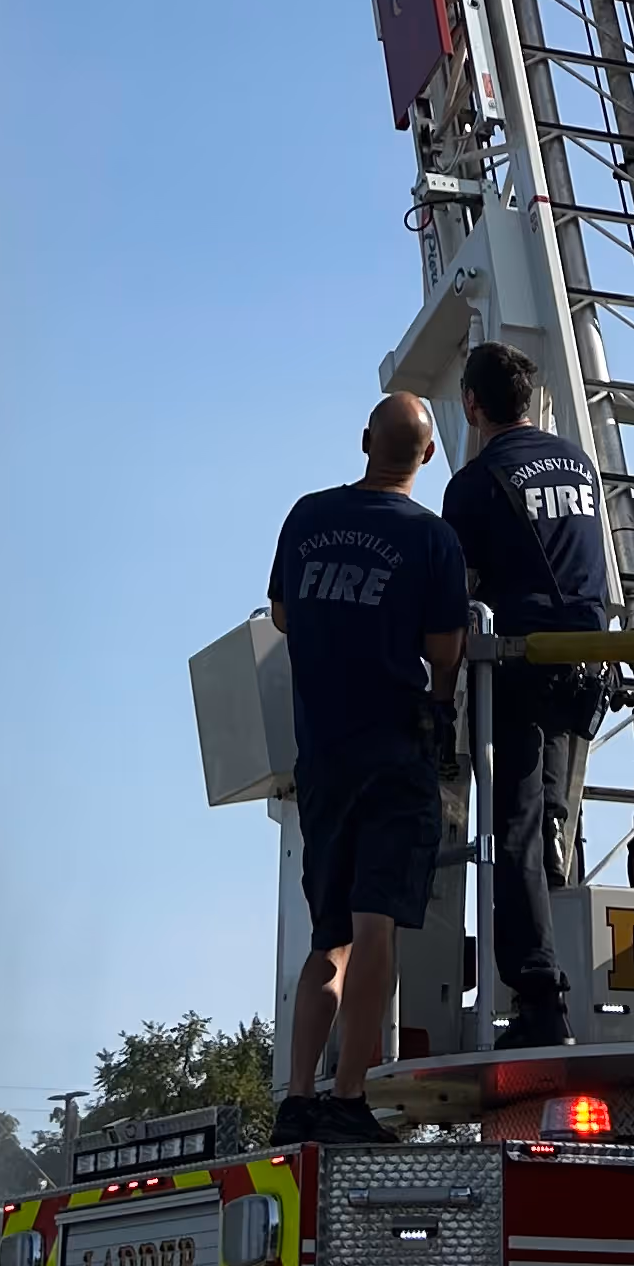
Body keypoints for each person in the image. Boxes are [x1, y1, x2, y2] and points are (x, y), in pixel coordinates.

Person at [267, 389, 471, 1142]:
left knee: (329, 940)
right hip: (394, 755)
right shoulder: (432, 539)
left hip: (321, 759)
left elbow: (285, 614)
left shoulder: (307, 518)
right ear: (425, 454)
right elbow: (445, 650)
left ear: (363, 441)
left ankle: (297, 1098)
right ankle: (350, 1098)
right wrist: (441, 710)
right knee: (375, 924)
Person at [442, 339, 609, 1048]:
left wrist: (437, 699)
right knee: (550, 826)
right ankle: (548, 978)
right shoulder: (580, 466)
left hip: (520, 667)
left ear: (472, 405)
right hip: (589, 666)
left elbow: (454, 597)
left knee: (513, 830)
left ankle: (538, 994)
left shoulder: (475, 484)